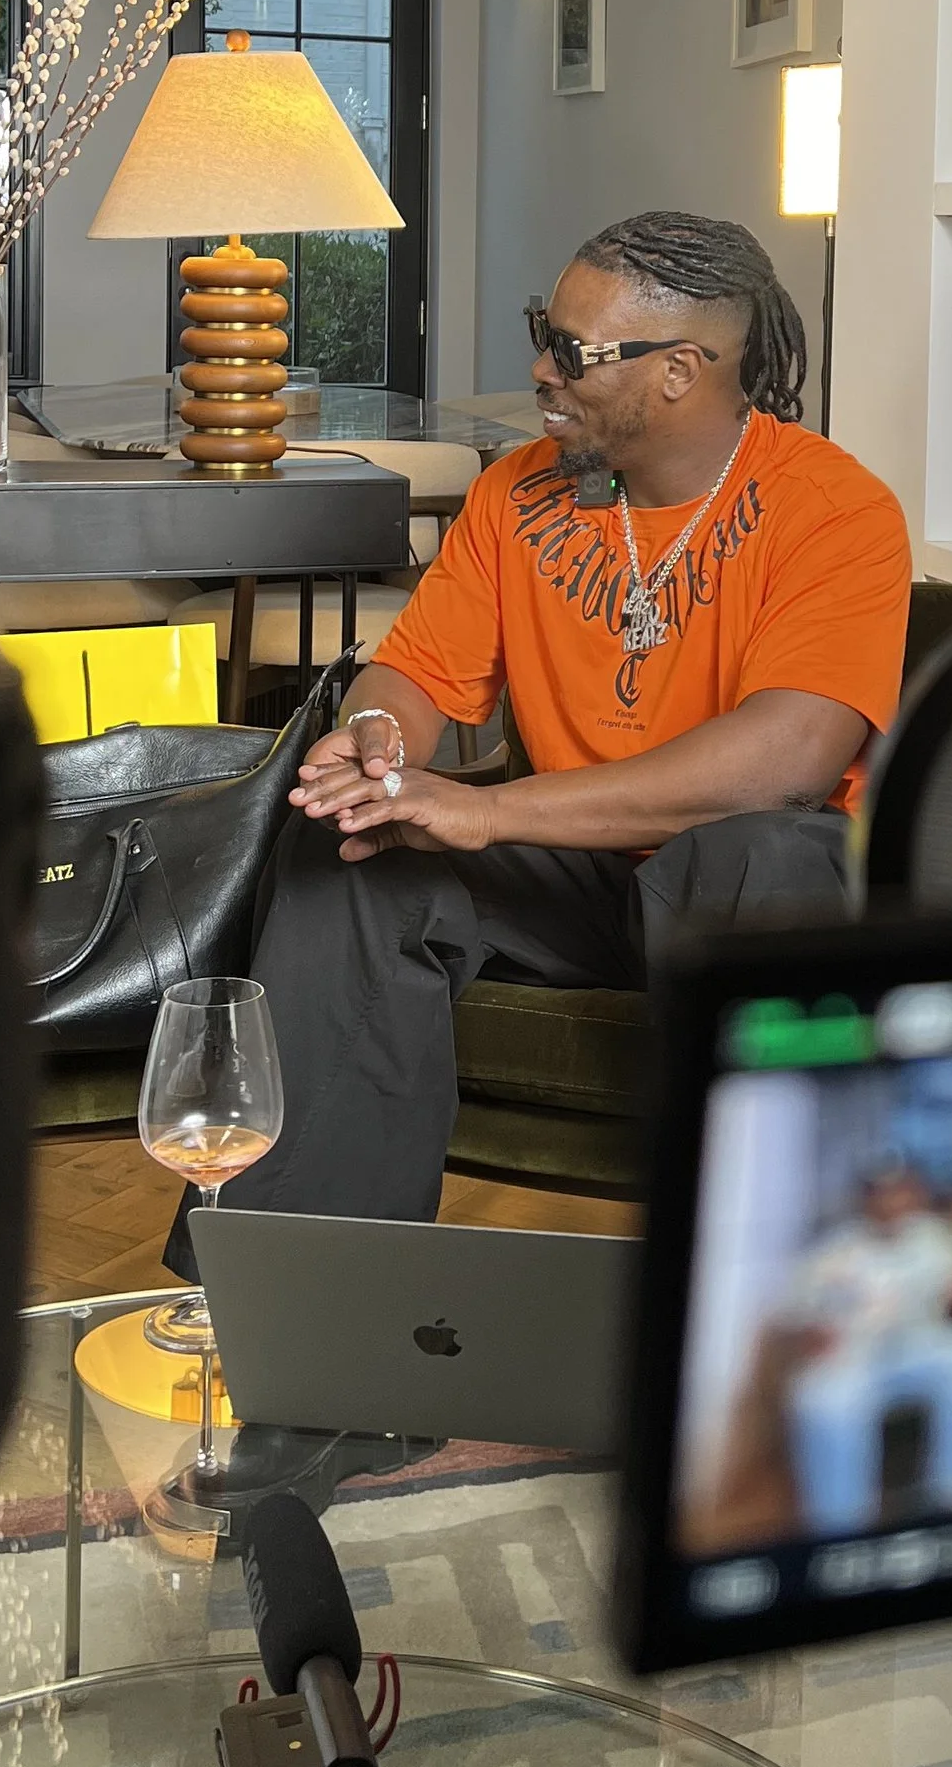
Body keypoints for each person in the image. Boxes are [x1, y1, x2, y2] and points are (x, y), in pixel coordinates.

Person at [217, 210, 913, 1224]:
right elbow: (412, 671)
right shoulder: (517, 495)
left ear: (678, 371)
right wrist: (379, 742)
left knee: (768, 853)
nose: (541, 369)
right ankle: (296, 1283)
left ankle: (762, 1292)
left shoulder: (834, 510)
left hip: (741, 875)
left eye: (571, 351)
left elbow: (791, 759)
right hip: (578, 873)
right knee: (350, 849)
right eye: (542, 328)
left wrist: (493, 811)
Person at [780, 1161, 952, 1538]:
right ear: (864, 1199)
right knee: (818, 1398)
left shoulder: (934, 1237)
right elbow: (797, 1326)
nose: (891, 1200)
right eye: (879, 1192)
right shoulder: (832, 1250)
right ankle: (839, 1528)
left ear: (915, 1193)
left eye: (900, 1190)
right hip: (854, 1359)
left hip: (920, 1347)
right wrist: (814, 1340)